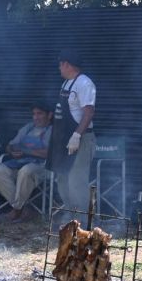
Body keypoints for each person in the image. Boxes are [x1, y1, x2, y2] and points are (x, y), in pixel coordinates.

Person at [46, 49, 96, 221]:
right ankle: (71, 215)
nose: (59, 68)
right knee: (62, 178)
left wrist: (76, 136)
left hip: (81, 139)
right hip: (63, 139)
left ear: (67, 64)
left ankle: (84, 221)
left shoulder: (85, 83)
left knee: (76, 180)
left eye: (60, 65)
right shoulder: (66, 84)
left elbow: (88, 112)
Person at [0, 103, 53, 222]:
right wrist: (12, 151)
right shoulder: (28, 128)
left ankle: (16, 211)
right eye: (34, 114)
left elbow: (50, 153)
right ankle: (24, 209)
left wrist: (26, 151)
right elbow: (10, 145)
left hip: (43, 166)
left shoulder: (52, 130)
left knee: (25, 171)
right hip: (20, 163)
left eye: (39, 114)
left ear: (49, 115)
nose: (36, 117)